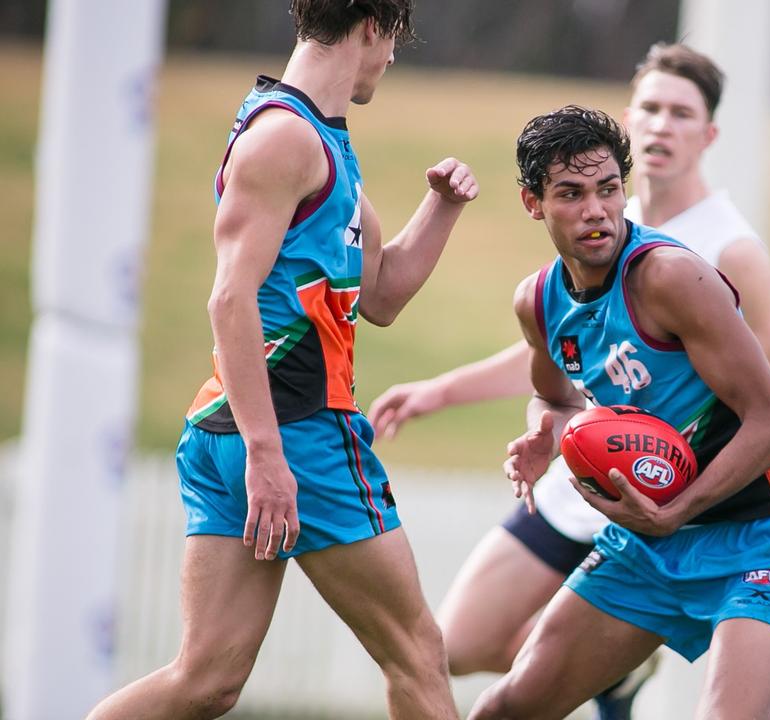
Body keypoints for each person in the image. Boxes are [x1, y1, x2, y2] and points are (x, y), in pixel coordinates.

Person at [368, 42, 770, 718]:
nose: (660, 124)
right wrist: (480, 404)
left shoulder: (716, 252)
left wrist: (684, 495)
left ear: (708, 135)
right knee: (453, 649)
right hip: (593, 478)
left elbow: (769, 405)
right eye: (649, 107)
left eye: (680, 112)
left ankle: (612, 669)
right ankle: (609, 673)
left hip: (698, 497)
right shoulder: (583, 249)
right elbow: (565, 357)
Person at [88, 2, 476, 718]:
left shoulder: (319, 141)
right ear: (370, 27)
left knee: (204, 681)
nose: (390, 60)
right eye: (392, 41)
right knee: (416, 652)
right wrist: (270, 455)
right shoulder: (286, 139)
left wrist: (442, 207)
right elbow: (227, 300)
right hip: (296, 435)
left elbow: (381, 295)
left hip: (238, 432)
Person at [465, 105, 770, 719]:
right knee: (501, 712)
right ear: (533, 202)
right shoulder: (538, 301)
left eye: (609, 189)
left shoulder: (669, 276)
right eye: (571, 194)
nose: (596, 211)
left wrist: (677, 510)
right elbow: (555, 397)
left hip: (760, 540)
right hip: (644, 546)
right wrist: (543, 435)